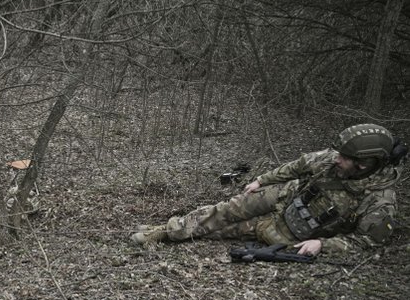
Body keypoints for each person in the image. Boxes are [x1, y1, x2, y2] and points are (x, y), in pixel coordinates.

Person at [131, 123, 404, 257]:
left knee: (224, 231)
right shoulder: (331, 160)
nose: (336, 159)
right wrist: (261, 181)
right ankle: (167, 230)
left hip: (289, 230)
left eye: (344, 157)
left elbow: (366, 242)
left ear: (365, 164)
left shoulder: (380, 202)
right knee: (226, 210)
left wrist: (323, 244)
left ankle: (167, 233)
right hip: (285, 195)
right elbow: (297, 166)